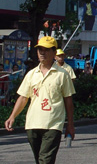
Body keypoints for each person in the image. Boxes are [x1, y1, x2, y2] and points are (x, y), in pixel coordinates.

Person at [4, 36, 75, 164]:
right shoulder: (31, 74)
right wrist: (12, 116)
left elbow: (68, 100)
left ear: (54, 53)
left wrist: (70, 125)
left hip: (53, 124)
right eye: (40, 49)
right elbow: (23, 97)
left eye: (46, 50)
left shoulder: (62, 74)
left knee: (45, 160)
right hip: (33, 124)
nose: (42, 52)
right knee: (40, 160)